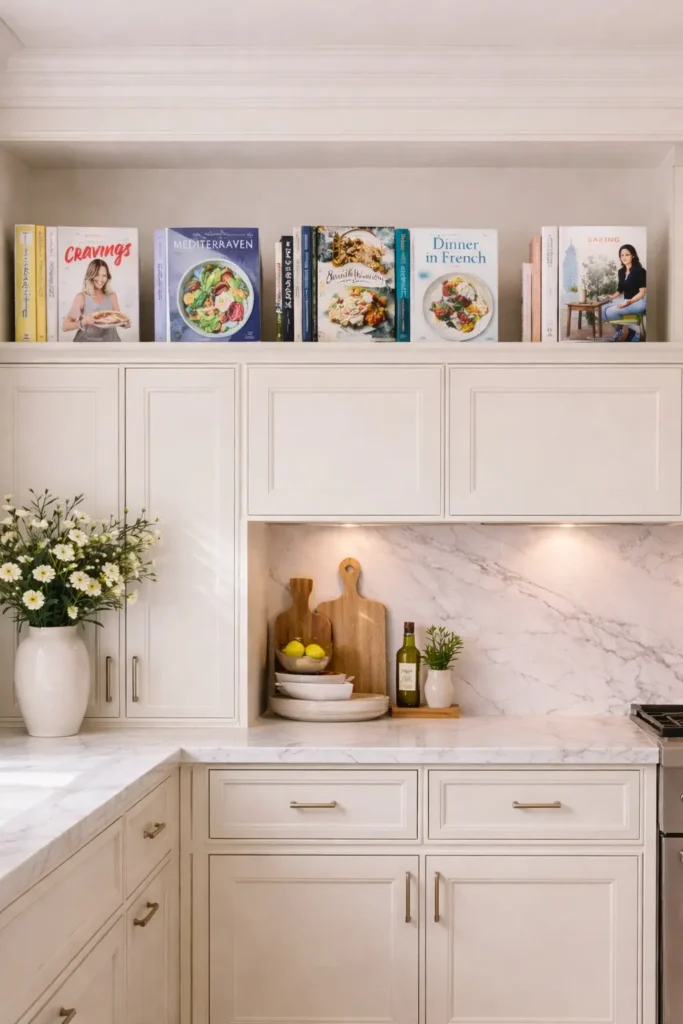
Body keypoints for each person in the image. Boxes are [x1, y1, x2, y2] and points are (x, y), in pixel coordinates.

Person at [62, 258, 131, 342]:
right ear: (91, 275)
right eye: (97, 274)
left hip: (111, 344)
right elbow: (65, 326)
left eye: (104, 275)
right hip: (87, 344)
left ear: (108, 277)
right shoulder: (81, 297)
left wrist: (124, 324)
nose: (100, 279)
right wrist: (83, 322)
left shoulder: (112, 296)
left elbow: (116, 320)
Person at [603, 244, 647, 342]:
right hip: (626, 300)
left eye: (627, 254)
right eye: (622, 255)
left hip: (638, 302)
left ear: (633, 256)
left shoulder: (640, 271)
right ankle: (623, 330)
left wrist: (630, 302)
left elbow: (642, 292)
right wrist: (611, 296)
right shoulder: (621, 272)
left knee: (610, 311)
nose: (624, 257)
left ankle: (633, 332)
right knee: (602, 310)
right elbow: (620, 289)